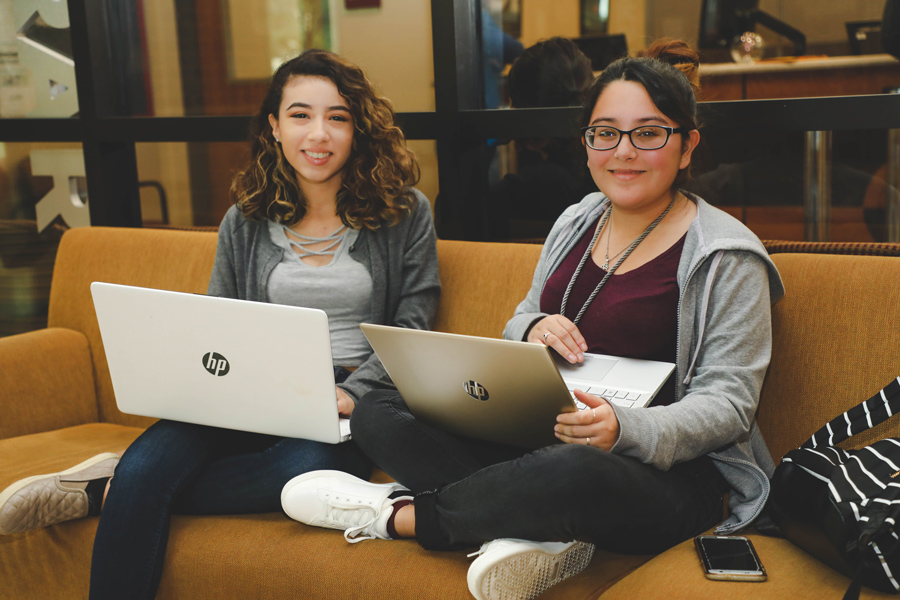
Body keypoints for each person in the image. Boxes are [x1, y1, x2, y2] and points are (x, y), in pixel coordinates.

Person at [279, 39, 785, 600]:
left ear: (687, 146)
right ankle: (535, 525)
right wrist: (533, 327)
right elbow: (521, 318)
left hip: (656, 476)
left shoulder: (726, 255)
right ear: (587, 142)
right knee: (381, 407)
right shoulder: (577, 220)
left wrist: (625, 429)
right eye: (605, 133)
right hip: (539, 435)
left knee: (572, 473)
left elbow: (731, 403)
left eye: (648, 132)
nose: (624, 151)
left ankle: (396, 514)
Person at [0, 49, 441, 599]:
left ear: (358, 129)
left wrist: (353, 392)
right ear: (275, 127)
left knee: (297, 470)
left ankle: (101, 491)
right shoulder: (247, 218)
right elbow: (220, 321)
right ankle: (126, 479)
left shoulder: (404, 212)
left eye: (338, 117)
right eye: (300, 115)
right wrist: (218, 386)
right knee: (150, 460)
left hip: (349, 398)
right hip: (252, 386)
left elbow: (415, 322)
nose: (318, 134)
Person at [488, 36, 598, 240]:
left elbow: (453, 219)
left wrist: (487, 142)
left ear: (525, 111)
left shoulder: (537, 185)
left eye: (512, 103)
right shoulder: (603, 165)